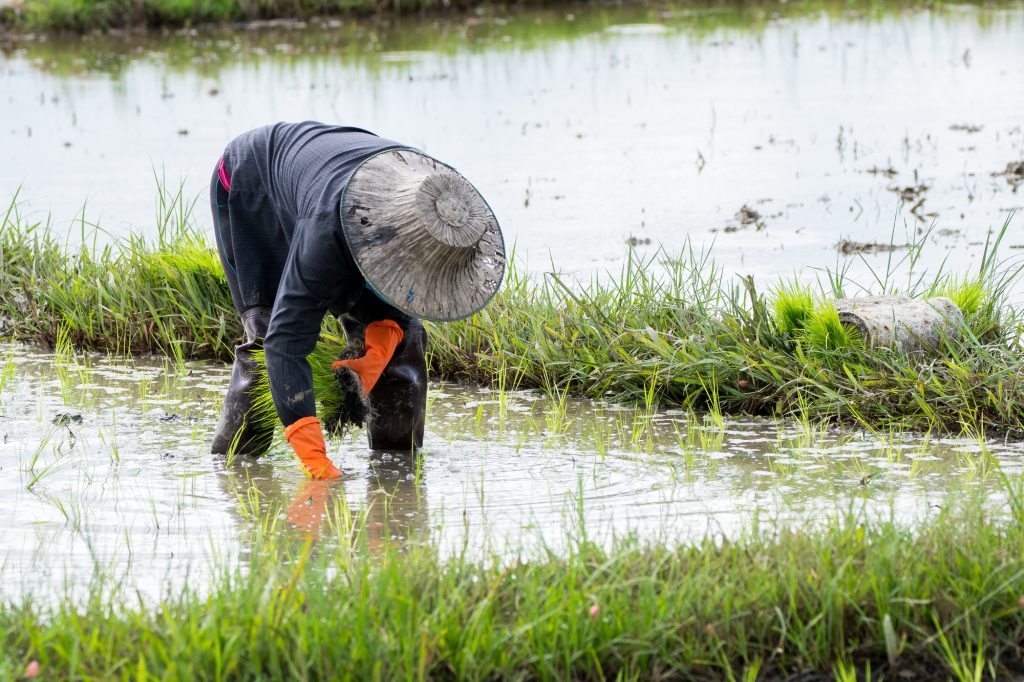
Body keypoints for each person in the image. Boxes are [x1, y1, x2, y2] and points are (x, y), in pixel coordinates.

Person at [209, 121, 505, 479]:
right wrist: (314, 460)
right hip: (253, 185)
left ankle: (398, 473)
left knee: (405, 341)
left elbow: (398, 296)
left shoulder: (440, 201)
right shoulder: (326, 232)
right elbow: (285, 343)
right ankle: (236, 471)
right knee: (267, 335)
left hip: (351, 190)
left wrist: (381, 340)